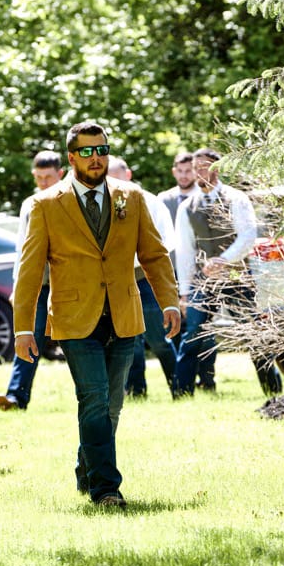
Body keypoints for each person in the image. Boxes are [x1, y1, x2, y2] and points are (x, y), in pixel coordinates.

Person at [12, 119, 181, 510]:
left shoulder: (132, 197)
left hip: (123, 311)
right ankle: (106, 489)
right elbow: (30, 270)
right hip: (74, 317)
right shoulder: (45, 205)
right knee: (93, 397)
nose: (96, 157)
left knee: (112, 404)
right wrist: (23, 327)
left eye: (101, 149)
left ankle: (86, 468)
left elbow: (154, 255)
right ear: (71, 157)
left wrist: (170, 301)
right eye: (87, 151)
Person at [172, 148, 280, 397]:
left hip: (236, 276)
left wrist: (224, 260)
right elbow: (186, 251)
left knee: (254, 335)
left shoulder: (236, 198)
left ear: (216, 168)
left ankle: (272, 390)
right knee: (193, 336)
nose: (200, 171)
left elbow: (248, 237)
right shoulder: (187, 207)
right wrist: (185, 291)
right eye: (197, 166)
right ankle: (181, 394)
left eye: (205, 166)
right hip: (204, 280)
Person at [0, 147, 65, 411]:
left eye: (47, 176)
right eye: (38, 177)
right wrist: (17, 286)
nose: (43, 182)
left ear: (60, 173)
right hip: (39, 285)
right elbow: (22, 250)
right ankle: (16, 396)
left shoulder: (71, 201)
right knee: (28, 338)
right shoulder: (30, 204)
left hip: (69, 284)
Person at [107, 156, 182, 398]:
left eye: (115, 175)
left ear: (127, 175)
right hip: (118, 280)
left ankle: (179, 387)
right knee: (130, 340)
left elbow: (165, 242)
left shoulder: (149, 201)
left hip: (145, 277)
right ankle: (136, 391)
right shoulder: (102, 203)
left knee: (159, 338)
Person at [159, 150, 198, 228]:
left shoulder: (203, 197)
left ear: (195, 171)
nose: (183, 176)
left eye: (188, 171)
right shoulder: (163, 199)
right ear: (174, 172)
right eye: (180, 171)